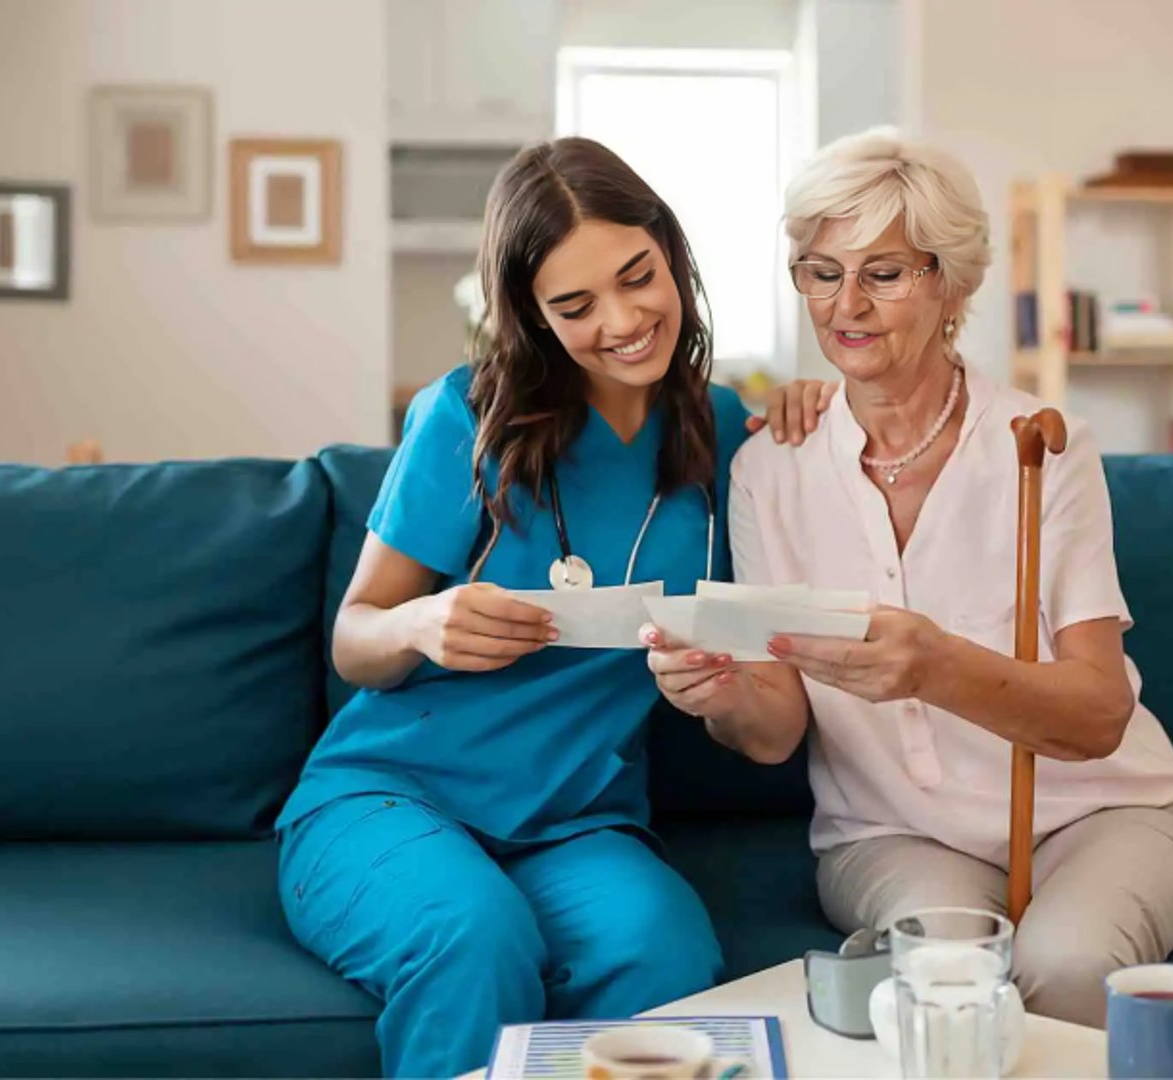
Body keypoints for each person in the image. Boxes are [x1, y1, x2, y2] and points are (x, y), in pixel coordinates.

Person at [644, 127, 1173, 1029]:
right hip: (892, 835)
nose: (847, 304)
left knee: (1065, 966)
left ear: (951, 284)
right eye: (821, 270)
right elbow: (772, 732)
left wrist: (936, 666)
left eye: (885, 272)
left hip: (1103, 813)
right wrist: (718, 692)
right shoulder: (771, 466)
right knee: (947, 975)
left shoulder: (1041, 448)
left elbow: (1099, 714)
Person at [276, 137, 818, 1077]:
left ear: (672, 253)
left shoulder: (732, 436)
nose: (622, 320)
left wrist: (824, 410)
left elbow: (771, 728)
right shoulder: (466, 419)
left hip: (576, 823)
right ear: (530, 317)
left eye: (637, 277)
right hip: (391, 796)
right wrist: (421, 625)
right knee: (472, 937)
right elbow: (354, 641)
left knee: (666, 951)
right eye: (574, 306)